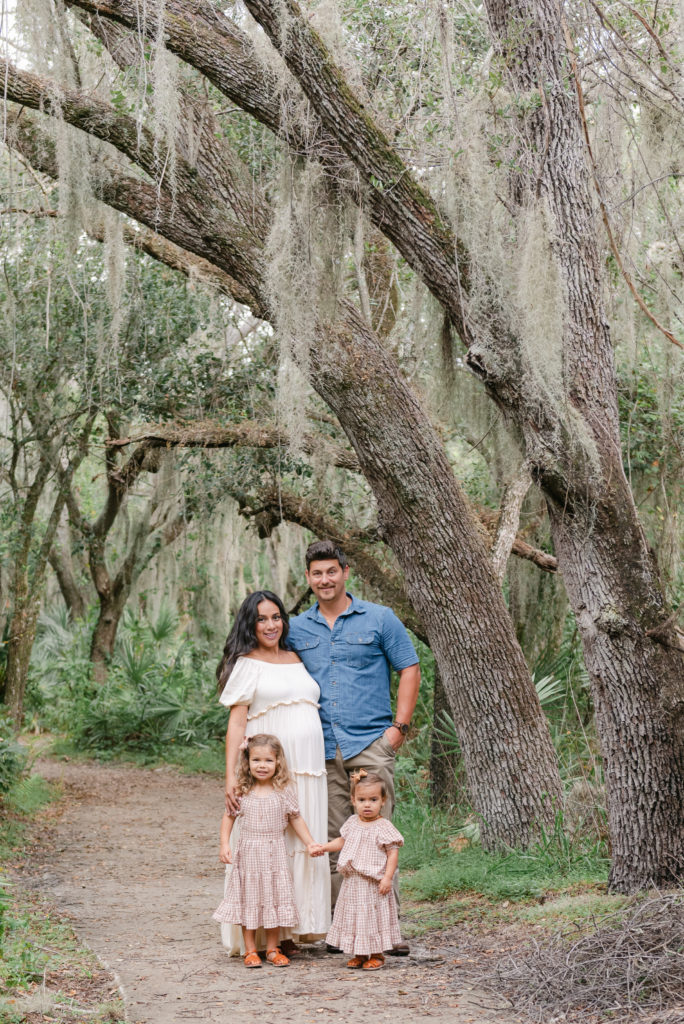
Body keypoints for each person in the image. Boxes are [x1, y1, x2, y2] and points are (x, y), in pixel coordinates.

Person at [287, 539, 420, 954]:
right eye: (316, 573)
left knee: (379, 838)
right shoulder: (296, 629)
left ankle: (386, 932)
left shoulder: (380, 619)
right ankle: (340, 930)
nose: (324, 579)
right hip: (320, 749)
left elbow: (409, 668)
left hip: (371, 743)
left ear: (346, 572)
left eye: (331, 571)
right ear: (308, 579)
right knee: (333, 840)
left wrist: (398, 728)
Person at [217, 591, 330, 955]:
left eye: (276, 616)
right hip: (269, 769)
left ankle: (296, 928)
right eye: (262, 619)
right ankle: (269, 934)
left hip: (308, 769)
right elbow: (236, 724)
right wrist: (232, 777)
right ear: (250, 624)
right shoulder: (247, 664)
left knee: (303, 840)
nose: (271, 625)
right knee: (271, 849)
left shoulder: (297, 658)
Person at [213, 734, 320, 967]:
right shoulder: (242, 790)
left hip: (275, 855)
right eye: (257, 760)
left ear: (278, 763)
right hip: (248, 854)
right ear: (248, 762)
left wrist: (310, 842)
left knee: (275, 899)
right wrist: (224, 844)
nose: (262, 766)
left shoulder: (283, 790)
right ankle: (250, 949)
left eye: (268, 761)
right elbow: (228, 818)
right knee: (249, 899)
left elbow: (296, 818)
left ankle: (273, 948)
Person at [315, 770, 403, 970]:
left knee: (373, 917)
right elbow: (342, 841)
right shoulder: (352, 822)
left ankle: (377, 954)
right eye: (362, 799)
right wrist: (324, 847)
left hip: (373, 883)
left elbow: (392, 853)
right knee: (356, 917)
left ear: (383, 801)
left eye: (373, 799)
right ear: (353, 800)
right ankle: (361, 953)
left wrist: (387, 878)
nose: (367, 804)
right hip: (353, 882)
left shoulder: (384, 826)